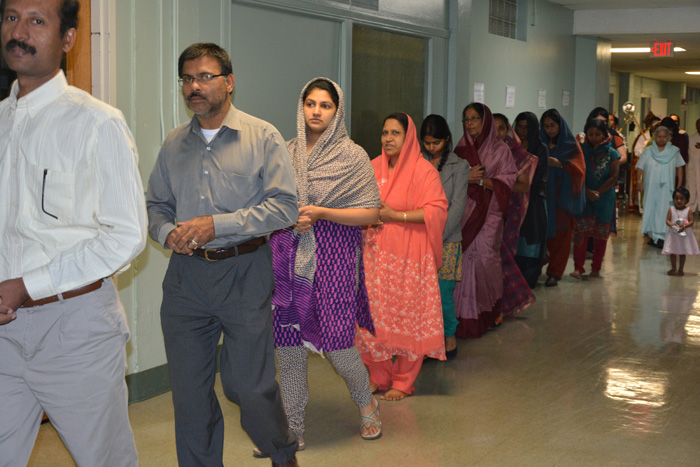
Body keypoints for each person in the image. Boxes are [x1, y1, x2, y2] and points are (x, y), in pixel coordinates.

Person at [0, 0, 146, 465]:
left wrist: (27, 285)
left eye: (36, 21)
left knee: (104, 460)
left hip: (76, 328)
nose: (19, 31)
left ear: (67, 40)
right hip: (5, 331)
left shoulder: (96, 122)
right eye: (10, 17)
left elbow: (125, 236)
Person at [146, 43, 299, 466]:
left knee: (248, 388)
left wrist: (217, 224)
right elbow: (155, 204)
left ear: (229, 82)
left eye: (205, 77)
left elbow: (285, 207)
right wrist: (166, 233)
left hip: (244, 272)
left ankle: (282, 451)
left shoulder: (262, 136)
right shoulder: (174, 143)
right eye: (188, 79)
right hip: (186, 281)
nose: (195, 86)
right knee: (191, 397)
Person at [268, 78, 382, 448]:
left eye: (325, 105)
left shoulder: (353, 157)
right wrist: (290, 219)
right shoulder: (285, 152)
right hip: (288, 259)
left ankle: (367, 405)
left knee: (337, 343)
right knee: (288, 345)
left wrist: (320, 213)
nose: (316, 112)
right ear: (301, 107)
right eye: (310, 104)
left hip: (334, 258)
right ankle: (293, 426)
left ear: (338, 111)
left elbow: (370, 213)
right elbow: (271, 205)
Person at [356, 112, 447, 401]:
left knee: (408, 321)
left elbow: (436, 211)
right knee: (370, 322)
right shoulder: (371, 167)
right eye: (385, 133)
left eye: (395, 133)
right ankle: (378, 374)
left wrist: (397, 215)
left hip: (410, 256)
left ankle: (404, 381)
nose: (388, 139)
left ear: (407, 137)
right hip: (374, 256)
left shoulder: (424, 171)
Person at [453, 104, 517, 337]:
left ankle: (490, 311)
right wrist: (465, 177)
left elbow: (508, 181)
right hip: (465, 212)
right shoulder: (460, 149)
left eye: (474, 119)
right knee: (463, 260)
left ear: (485, 121)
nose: (469, 124)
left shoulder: (501, 150)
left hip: (490, 212)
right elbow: (448, 180)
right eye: (466, 119)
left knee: (485, 258)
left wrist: (480, 181)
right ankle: (463, 316)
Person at [420, 114, 470, 358]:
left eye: (436, 143)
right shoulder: (417, 163)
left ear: (447, 140)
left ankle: (449, 338)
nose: (431, 148)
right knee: (421, 293)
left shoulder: (459, 166)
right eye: (427, 143)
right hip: (419, 238)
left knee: (442, 291)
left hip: (446, 239)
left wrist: (436, 236)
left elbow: (457, 207)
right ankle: (427, 341)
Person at [493, 113, 537, 317]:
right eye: (493, 128)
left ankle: (508, 303)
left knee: (503, 257)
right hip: (487, 211)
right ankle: (493, 305)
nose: (497, 133)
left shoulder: (517, 154)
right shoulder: (480, 151)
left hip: (510, 212)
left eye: (502, 128)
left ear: (508, 130)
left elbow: (523, 186)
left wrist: (497, 184)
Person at [570, 119, 621, 279]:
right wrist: (587, 191)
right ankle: (578, 268)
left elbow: (614, 177)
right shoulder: (580, 151)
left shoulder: (612, 153)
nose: (593, 137)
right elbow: (575, 174)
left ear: (604, 134)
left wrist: (598, 192)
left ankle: (596, 269)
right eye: (590, 134)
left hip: (605, 198)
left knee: (600, 234)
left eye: (597, 134)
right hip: (584, 196)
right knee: (581, 232)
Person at [540, 109, 586, 287]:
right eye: (546, 126)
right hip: (543, 198)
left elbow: (579, 171)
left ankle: (555, 272)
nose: (550, 130)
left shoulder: (570, 146)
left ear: (560, 126)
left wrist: (560, 165)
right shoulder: (540, 143)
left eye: (553, 125)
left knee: (561, 237)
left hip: (562, 200)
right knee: (543, 235)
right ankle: (540, 265)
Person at [513, 112, 549, 288]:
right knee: (515, 240)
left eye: (527, 127)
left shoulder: (540, 148)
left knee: (531, 241)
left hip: (534, 200)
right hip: (514, 199)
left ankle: (529, 279)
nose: (523, 131)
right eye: (519, 126)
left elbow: (538, 177)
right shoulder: (511, 147)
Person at [637, 126, 685, 249]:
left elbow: (680, 168)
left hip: (667, 187)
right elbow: (640, 168)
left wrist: (679, 185)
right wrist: (638, 181)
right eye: (659, 136)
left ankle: (663, 238)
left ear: (668, 138)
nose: (661, 139)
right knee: (650, 208)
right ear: (655, 137)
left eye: (664, 136)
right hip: (650, 186)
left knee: (664, 210)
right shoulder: (648, 151)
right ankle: (653, 237)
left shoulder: (674, 151)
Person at [663, 187, 699, 276]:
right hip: (673, 235)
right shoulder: (671, 209)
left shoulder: (688, 210)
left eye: (682, 198)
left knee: (682, 252)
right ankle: (673, 268)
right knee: (672, 252)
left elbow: (691, 221)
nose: (679, 201)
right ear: (673, 199)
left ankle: (681, 269)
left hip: (684, 235)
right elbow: (667, 220)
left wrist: (685, 226)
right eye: (676, 198)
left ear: (686, 200)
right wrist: (671, 225)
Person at [688, 119, 700, 213]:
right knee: (692, 188)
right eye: (698, 125)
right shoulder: (691, 139)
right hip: (692, 168)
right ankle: (692, 207)